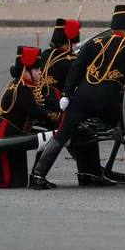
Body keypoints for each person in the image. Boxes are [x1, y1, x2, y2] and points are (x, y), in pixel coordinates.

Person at [29, 5, 125, 190]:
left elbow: (76, 68)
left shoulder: (96, 43)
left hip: (80, 98)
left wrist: (67, 94)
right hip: (107, 101)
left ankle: (38, 176)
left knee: (61, 135)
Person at [38, 18, 116, 187]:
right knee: (86, 129)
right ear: (67, 42)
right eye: (74, 43)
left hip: (40, 107)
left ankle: (87, 174)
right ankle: (90, 174)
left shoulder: (44, 55)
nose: (76, 46)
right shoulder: (69, 61)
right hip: (56, 109)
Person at [0, 47, 61, 188]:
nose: (40, 72)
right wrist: (58, 117)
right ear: (26, 72)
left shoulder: (27, 85)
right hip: (5, 134)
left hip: (17, 133)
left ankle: (37, 175)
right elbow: (36, 111)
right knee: (5, 182)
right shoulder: (20, 88)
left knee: (18, 178)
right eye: (36, 70)